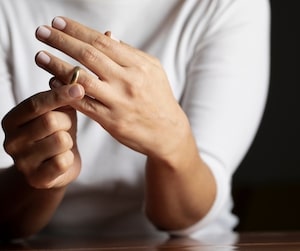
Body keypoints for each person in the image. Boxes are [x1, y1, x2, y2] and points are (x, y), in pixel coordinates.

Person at [0, 0, 270, 239]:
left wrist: (173, 145)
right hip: (40, 245)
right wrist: (47, 173)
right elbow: (7, 222)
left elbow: (185, 218)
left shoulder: (226, 5)